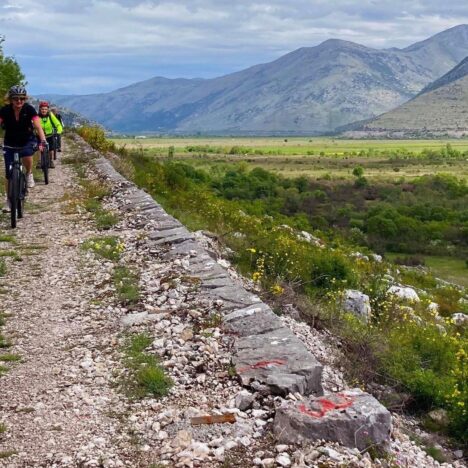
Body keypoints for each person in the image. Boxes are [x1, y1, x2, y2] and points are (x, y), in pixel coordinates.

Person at [0, 85, 47, 211]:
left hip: (27, 140)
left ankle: (29, 173)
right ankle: (9, 201)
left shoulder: (29, 109)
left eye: (22, 98)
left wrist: (43, 140)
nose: (19, 101)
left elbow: (38, 127)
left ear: (25, 99)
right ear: (10, 99)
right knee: (9, 174)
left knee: (27, 155)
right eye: (16, 98)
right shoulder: (4, 111)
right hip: (10, 142)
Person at [37, 101, 63, 168]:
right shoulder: (37, 116)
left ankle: (50, 161)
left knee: (50, 149)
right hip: (39, 135)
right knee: (40, 148)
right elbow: (32, 124)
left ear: (47, 109)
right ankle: (39, 162)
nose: (44, 110)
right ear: (40, 109)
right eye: (42, 109)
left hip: (49, 135)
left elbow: (58, 124)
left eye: (45, 109)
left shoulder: (50, 116)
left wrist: (59, 131)